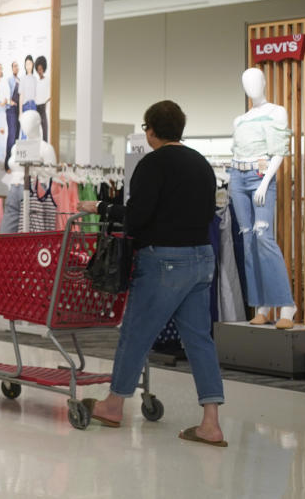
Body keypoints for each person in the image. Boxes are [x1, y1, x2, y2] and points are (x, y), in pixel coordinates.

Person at [80, 100, 226, 447]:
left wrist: (100, 207)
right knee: (199, 341)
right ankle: (211, 422)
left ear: (150, 131)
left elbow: (137, 216)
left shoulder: (152, 164)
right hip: (201, 259)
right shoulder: (201, 164)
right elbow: (209, 211)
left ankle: (113, 405)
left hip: (163, 260)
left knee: (136, 333)